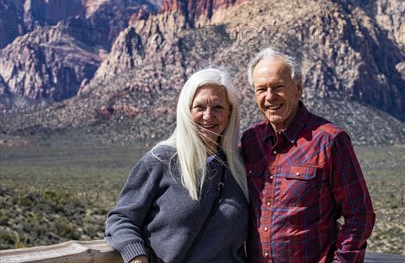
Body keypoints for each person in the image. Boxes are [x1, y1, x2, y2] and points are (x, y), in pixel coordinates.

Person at [241, 48, 376, 262]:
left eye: (278, 87)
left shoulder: (329, 141)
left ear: (298, 88)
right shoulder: (250, 141)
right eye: (261, 89)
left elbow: (360, 215)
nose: (269, 97)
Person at [105, 68, 249, 263]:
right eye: (200, 107)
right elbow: (120, 218)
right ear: (187, 111)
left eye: (218, 107)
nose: (208, 116)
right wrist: (136, 256)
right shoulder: (160, 161)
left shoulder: (238, 166)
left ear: (229, 113)